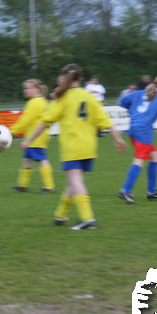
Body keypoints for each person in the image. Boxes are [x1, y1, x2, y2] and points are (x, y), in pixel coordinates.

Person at [20, 63, 127, 230]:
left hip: (72, 147)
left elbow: (45, 122)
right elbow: (104, 120)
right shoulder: (88, 96)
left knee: (75, 181)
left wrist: (28, 140)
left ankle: (87, 219)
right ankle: (61, 215)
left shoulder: (64, 97)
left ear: (65, 77)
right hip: (89, 147)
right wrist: (118, 138)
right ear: (81, 78)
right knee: (73, 183)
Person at [117, 74, 157, 204]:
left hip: (134, 129)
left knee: (155, 157)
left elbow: (123, 101)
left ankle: (152, 192)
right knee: (139, 160)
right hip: (143, 132)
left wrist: (135, 112)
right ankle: (125, 190)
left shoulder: (139, 93)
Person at [10, 79, 55, 194]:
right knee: (27, 159)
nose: (25, 90)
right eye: (25, 88)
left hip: (35, 137)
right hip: (39, 136)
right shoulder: (42, 101)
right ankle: (22, 185)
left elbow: (25, 120)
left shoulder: (34, 102)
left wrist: (12, 132)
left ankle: (49, 186)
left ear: (37, 89)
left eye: (28, 88)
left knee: (41, 160)